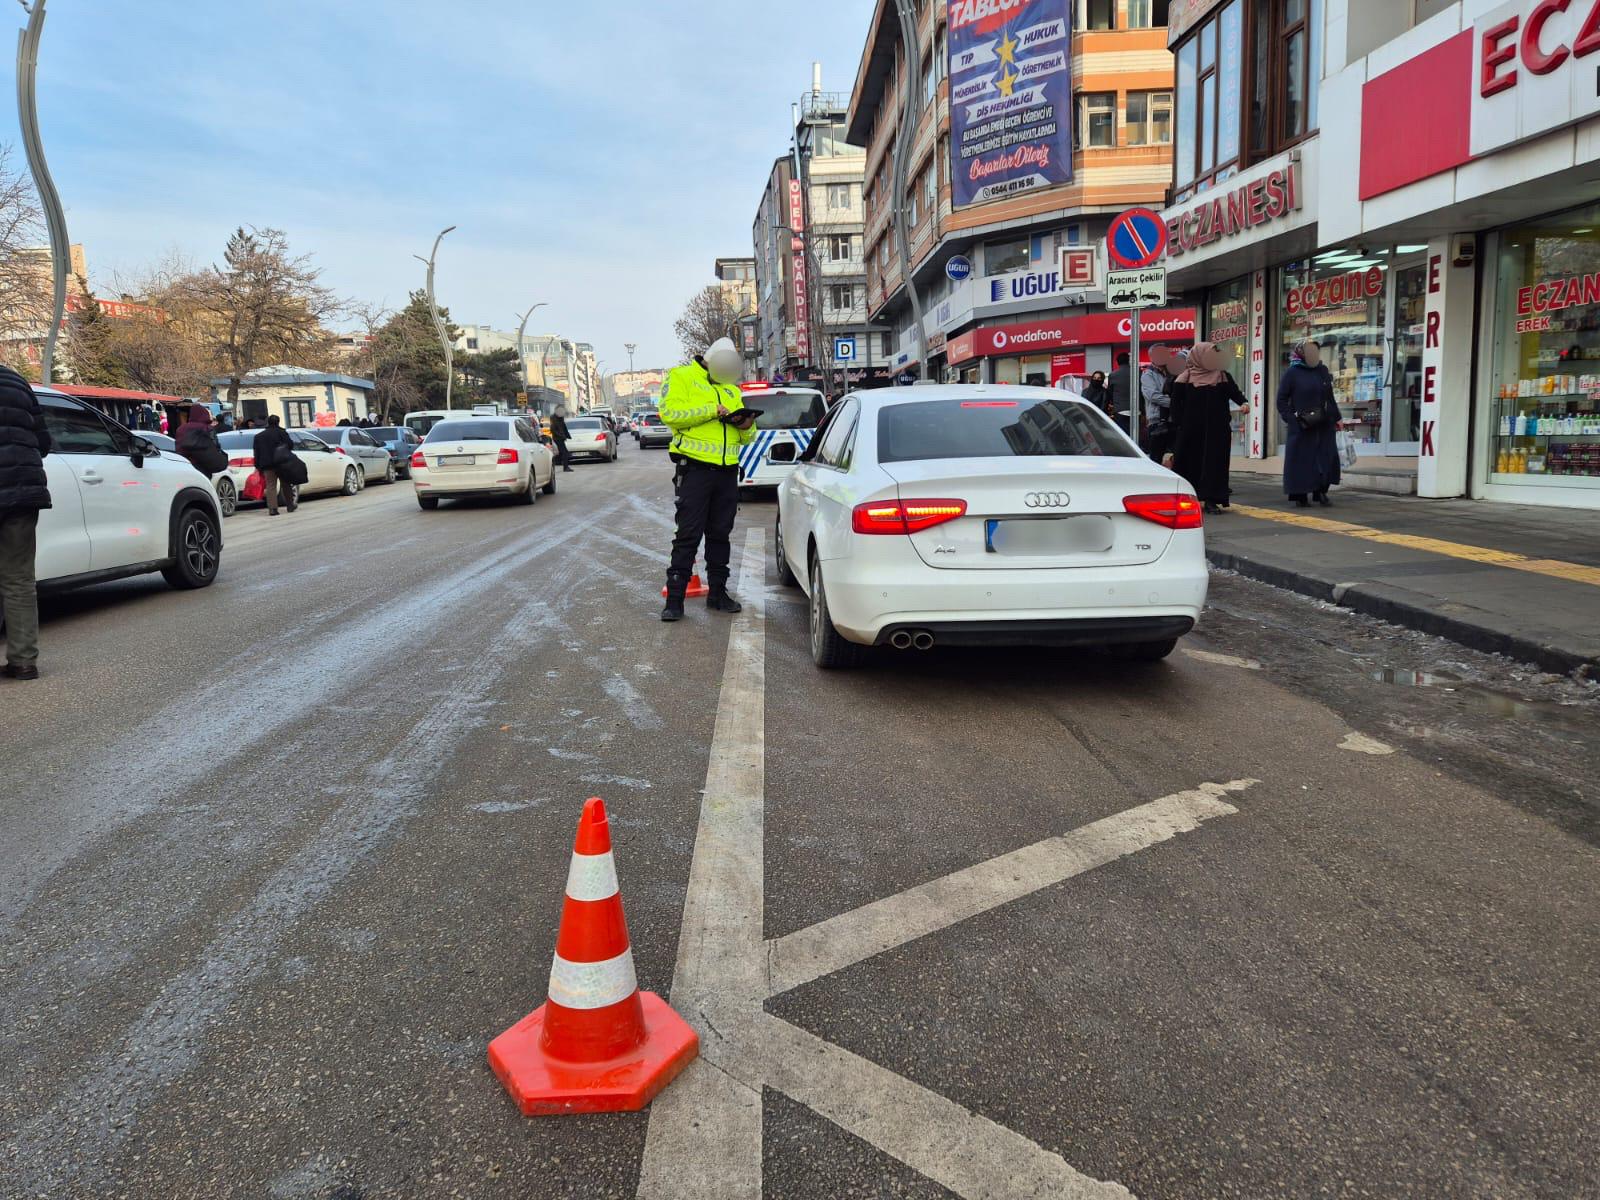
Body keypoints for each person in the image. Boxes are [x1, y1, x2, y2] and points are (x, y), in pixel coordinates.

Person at [659, 336, 757, 622]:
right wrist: (711, 411)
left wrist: (746, 424)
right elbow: (670, 414)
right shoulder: (682, 377)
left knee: (720, 534)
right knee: (688, 534)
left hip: (727, 472)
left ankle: (718, 594)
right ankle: (675, 600)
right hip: (696, 471)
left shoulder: (730, 388)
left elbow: (748, 437)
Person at [0, 365, 51, 680]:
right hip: (22, 491)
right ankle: (23, 661)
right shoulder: (18, 381)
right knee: (19, 580)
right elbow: (43, 442)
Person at [1169, 341, 1249, 515]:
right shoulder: (1184, 378)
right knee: (1190, 463)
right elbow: (1176, 406)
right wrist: (1180, 426)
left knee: (1215, 464)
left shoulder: (1222, 376)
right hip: (1191, 431)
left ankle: (1212, 499)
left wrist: (1243, 403)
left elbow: (1235, 393)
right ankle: (1187, 498)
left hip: (1217, 429)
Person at [1277, 338, 1342, 508]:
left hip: (1324, 423)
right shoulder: (1292, 372)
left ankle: (1320, 491)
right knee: (1302, 460)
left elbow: (1330, 397)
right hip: (1303, 425)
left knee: (1325, 458)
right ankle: (1300, 494)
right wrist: (1292, 419)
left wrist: (1337, 417)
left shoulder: (1322, 370)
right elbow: (1281, 399)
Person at [252, 415, 296, 515]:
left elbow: (256, 452)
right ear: (278, 422)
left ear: (268, 422)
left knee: (271, 486)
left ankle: (272, 509)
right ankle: (290, 505)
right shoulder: (282, 433)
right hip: (282, 463)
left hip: (267, 465)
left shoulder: (259, 436)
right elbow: (290, 445)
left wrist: (258, 466)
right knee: (286, 484)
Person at [1141, 346, 1176, 460]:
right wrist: (1175, 403)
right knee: (1156, 459)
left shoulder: (1172, 372)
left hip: (1174, 420)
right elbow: (1154, 396)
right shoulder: (1148, 374)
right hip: (1157, 422)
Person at [174, 404, 227, 477]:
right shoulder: (207, 428)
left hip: (185, 466)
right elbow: (215, 446)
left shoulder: (180, 429)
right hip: (203, 467)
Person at [1107, 351, 1133, 427]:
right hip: (1137, 410)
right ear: (1128, 361)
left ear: (1118, 362)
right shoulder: (1138, 372)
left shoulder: (1113, 375)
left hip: (1120, 410)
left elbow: (1110, 392)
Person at [550, 407, 573, 472]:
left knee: (563, 452)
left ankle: (561, 464)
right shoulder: (554, 419)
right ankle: (565, 467)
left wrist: (567, 435)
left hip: (560, 438)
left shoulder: (560, 418)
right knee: (565, 452)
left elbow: (564, 427)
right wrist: (562, 436)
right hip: (558, 438)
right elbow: (553, 430)